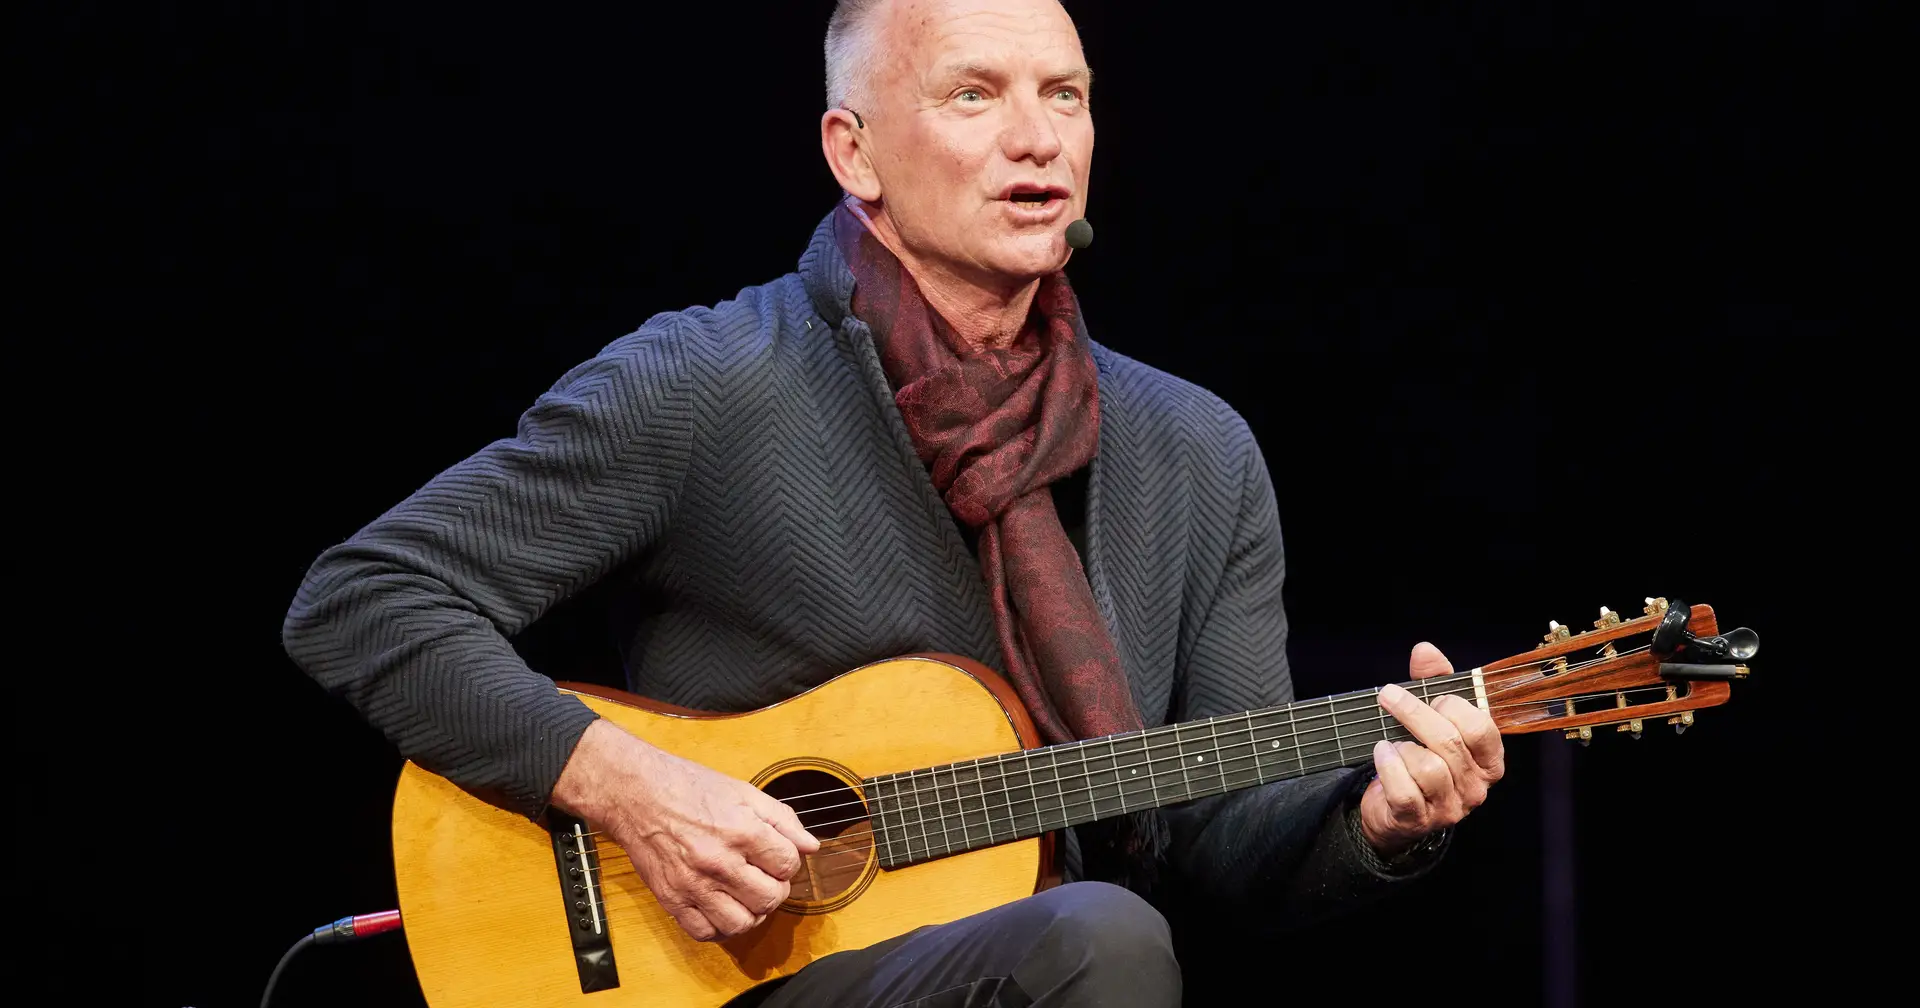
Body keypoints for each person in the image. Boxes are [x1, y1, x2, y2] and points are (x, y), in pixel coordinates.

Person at [282, 0, 1505, 1004]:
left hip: (1042, 969)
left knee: (1105, 934)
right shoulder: (711, 383)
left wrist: (1376, 821)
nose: (1038, 139)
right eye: (974, 95)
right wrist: (629, 788)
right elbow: (365, 598)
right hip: (726, 978)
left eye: (1065, 95)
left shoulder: (1194, 449)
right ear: (853, 151)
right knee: (1103, 940)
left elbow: (1223, 843)